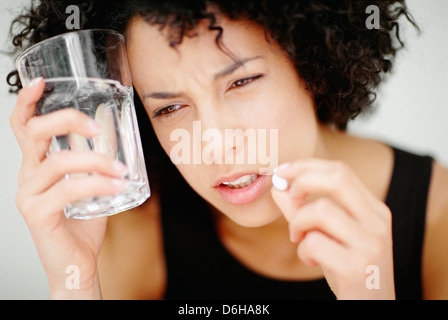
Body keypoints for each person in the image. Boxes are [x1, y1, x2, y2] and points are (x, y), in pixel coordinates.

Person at [7, 0, 448, 300]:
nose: (212, 143)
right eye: (171, 108)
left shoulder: (436, 217)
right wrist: (76, 283)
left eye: (241, 82)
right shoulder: (135, 224)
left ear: (313, 64)